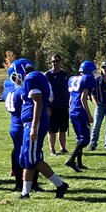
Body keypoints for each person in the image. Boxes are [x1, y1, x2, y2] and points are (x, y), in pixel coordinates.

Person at [18, 59, 70, 199]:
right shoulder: (38, 77)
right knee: (27, 157)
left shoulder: (31, 78)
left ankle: (60, 184)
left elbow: (38, 101)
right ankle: (25, 192)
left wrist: (34, 126)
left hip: (34, 122)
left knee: (32, 158)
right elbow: (47, 100)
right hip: (32, 121)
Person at [4, 59, 31, 191]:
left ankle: (17, 181)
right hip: (22, 125)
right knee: (28, 155)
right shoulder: (22, 91)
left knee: (17, 151)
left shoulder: (8, 89)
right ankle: (25, 184)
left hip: (13, 124)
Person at [65, 60, 95, 172]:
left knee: (79, 138)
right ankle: (71, 159)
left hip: (73, 110)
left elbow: (70, 98)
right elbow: (83, 98)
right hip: (80, 111)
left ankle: (79, 163)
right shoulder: (87, 79)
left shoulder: (72, 79)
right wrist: (89, 114)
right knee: (85, 139)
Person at [45, 54, 70, 156]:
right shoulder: (47, 75)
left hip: (63, 106)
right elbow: (44, 92)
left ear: (60, 61)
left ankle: (63, 148)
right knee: (52, 130)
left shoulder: (64, 74)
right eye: (53, 61)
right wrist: (47, 107)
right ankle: (52, 149)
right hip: (52, 107)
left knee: (63, 129)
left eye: (57, 61)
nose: (55, 63)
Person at [90, 61, 106, 150]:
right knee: (96, 126)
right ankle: (93, 144)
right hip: (100, 105)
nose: (104, 69)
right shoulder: (97, 79)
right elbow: (93, 94)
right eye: (103, 67)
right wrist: (96, 104)